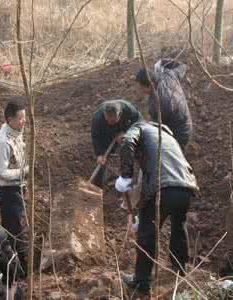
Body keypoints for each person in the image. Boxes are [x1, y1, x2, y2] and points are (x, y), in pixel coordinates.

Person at [115, 121, 199, 295]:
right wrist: (141, 216)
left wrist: (125, 176)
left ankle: (141, 282)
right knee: (179, 224)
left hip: (163, 187)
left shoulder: (138, 128)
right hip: (186, 186)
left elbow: (127, 142)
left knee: (147, 234)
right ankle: (180, 268)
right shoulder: (167, 136)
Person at [0, 101, 28, 271]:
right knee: (14, 231)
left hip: (19, 187)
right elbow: (0, 173)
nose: (24, 121)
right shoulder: (2, 142)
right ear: (9, 119)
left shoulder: (16, 130)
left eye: (24, 117)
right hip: (8, 191)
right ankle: (19, 269)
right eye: (20, 118)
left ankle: (21, 264)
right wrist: (22, 173)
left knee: (19, 226)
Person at [136, 59, 192, 150]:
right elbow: (183, 66)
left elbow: (158, 130)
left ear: (151, 84)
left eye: (142, 87)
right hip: (186, 125)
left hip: (178, 134)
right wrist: (162, 62)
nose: (141, 90)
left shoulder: (158, 103)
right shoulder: (168, 75)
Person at [91, 100, 142, 165]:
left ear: (120, 114)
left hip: (124, 124)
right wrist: (99, 154)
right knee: (103, 154)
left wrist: (127, 133)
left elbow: (139, 123)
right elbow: (95, 136)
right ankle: (101, 172)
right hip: (105, 129)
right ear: (104, 114)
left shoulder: (129, 110)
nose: (109, 122)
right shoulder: (97, 118)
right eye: (107, 120)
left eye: (112, 121)